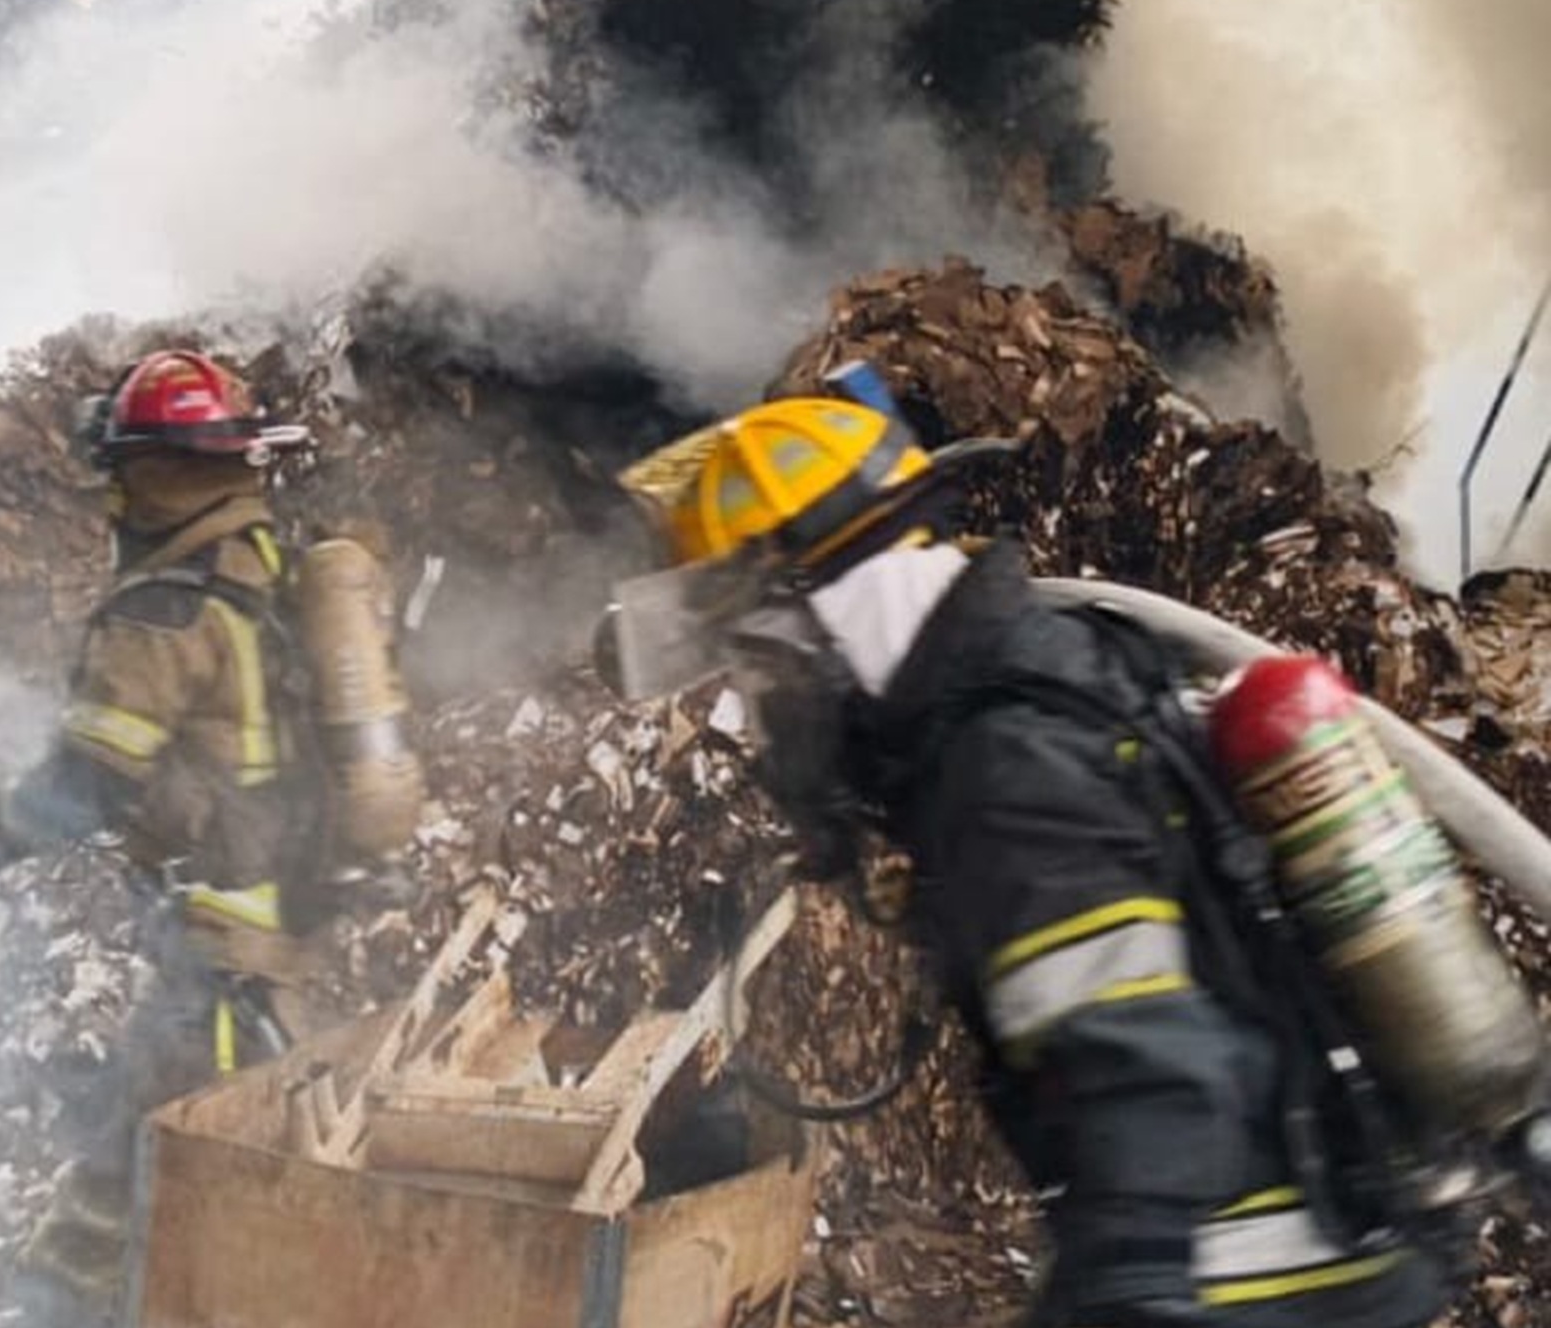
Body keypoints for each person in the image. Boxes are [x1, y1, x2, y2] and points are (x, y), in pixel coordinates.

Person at [592, 384, 1449, 1328]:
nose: (759, 707)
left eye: (754, 663)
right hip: (1310, 1247)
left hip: (1256, 1282)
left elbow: (1134, 1038)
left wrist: (1132, 1282)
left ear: (804, 611)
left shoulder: (1002, 761)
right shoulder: (1041, 676)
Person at [0, 348, 326, 1313]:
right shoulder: (272, 572)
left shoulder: (164, 614)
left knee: (128, 1190)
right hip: (286, 944)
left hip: (219, 969)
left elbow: (88, 779)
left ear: (153, 474)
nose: (113, 502)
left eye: (122, 476)